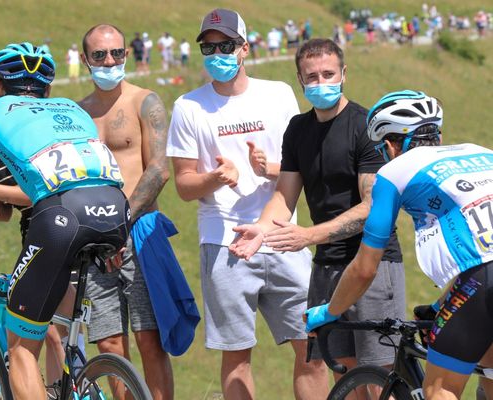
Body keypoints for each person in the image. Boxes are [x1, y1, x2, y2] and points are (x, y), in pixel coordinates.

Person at [0, 42, 129, 400]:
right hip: (117, 210)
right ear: (49, 89)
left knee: (23, 348)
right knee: (59, 325)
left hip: (60, 217)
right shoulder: (74, 109)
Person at [166, 9, 327, 400]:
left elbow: (302, 165)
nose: (216, 54)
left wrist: (267, 167)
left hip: (283, 236)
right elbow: (185, 187)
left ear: (244, 48)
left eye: (225, 45)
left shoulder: (277, 94)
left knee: (313, 349)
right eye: (208, 47)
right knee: (237, 357)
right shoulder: (188, 107)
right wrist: (216, 177)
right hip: (225, 243)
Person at [229, 38, 405, 381]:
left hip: (373, 261)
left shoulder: (364, 125)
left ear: (344, 74)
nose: (321, 83)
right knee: (344, 374)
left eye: (329, 74)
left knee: (381, 374)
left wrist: (309, 235)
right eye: (312, 77)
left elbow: (372, 207)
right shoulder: (297, 129)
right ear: (300, 80)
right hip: (327, 265)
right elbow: (284, 196)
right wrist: (261, 230)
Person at [305, 89, 493, 400]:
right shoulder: (481, 152)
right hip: (479, 279)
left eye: (382, 148)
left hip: (482, 280)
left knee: (441, 389)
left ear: (393, 144)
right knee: (488, 375)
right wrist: (438, 307)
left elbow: (365, 268)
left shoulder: (392, 173)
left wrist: (329, 311)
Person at [79, 23, 197, 400]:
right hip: (95, 242)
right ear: (85, 60)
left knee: (150, 338)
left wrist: (120, 224)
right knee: (110, 343)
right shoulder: (78, 114)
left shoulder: (144, 101)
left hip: (138, 233)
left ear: (126, 54)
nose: (109, 61)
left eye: (116, 53)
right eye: (99, 55)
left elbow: (159, 169)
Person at [0, 73, 84, 394]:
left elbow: (36, 192)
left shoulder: (17, 136)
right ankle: (60, 388)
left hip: (53, 229)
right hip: (38, 234)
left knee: (44, 329)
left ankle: (61, 388)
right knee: (48, 327)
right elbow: (2, 210)